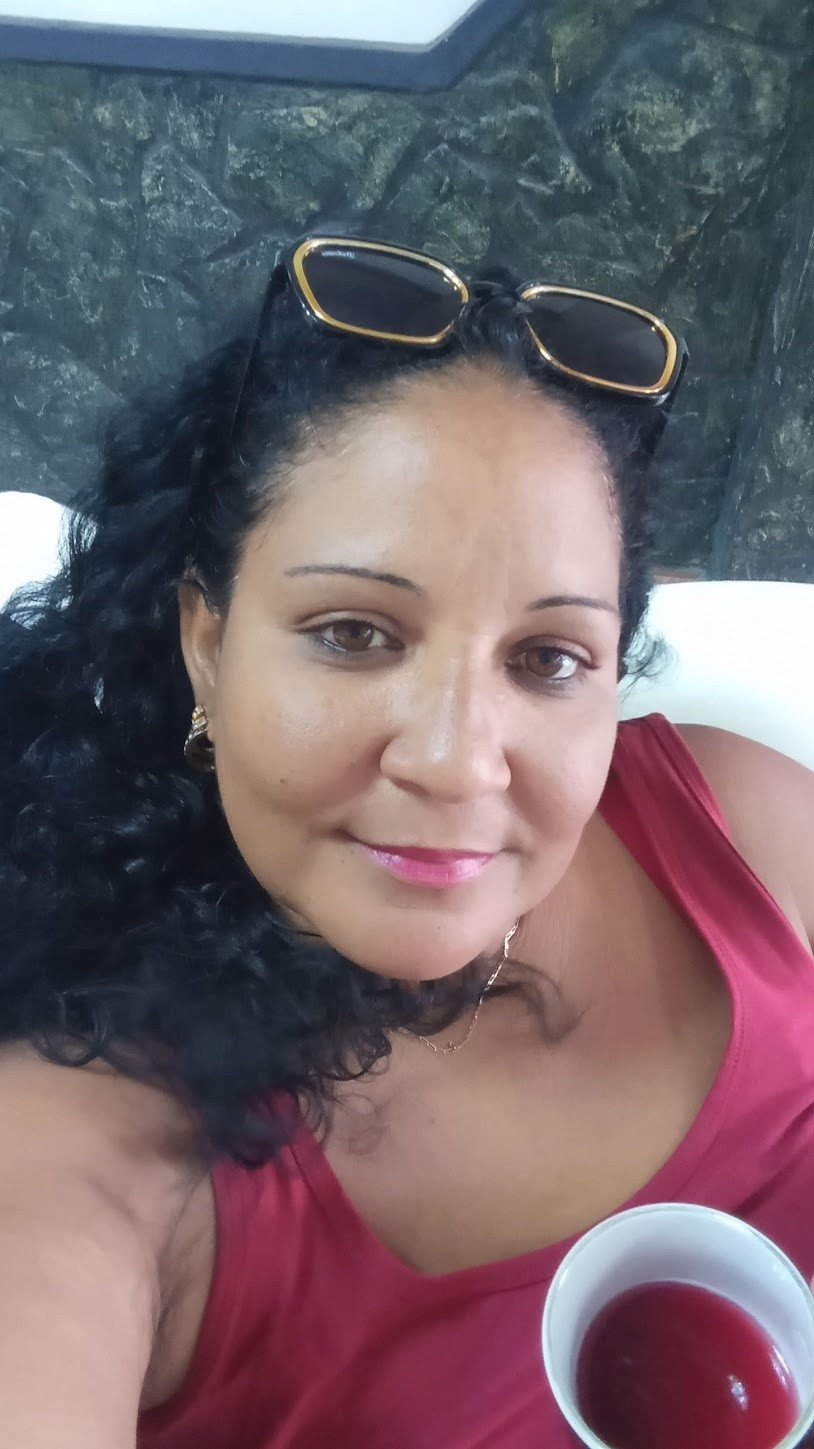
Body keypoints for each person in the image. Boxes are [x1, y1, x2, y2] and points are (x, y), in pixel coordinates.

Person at [0, 233, 813, 1449]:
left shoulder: (741, 823)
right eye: (353, 634)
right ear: (207, 644)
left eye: (546, 659)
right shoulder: (83, 1144)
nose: (457, 761)